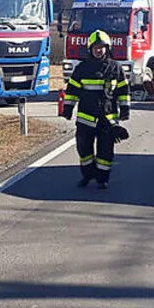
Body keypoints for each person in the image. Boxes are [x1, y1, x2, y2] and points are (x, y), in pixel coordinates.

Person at [62, 30, 131, 189]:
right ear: (90, 49)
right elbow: (72, 90)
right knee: (83, 149)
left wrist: (125, 109)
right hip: (85, 118)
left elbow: (123, 91)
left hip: (108, 119)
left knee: (105, 152)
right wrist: (68, 108)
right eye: (95, 48)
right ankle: (87, 175)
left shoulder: (116, 68)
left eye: (102, 47)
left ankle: (102, 179)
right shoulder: (82, 68)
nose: (99, 50)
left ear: (107, 48)